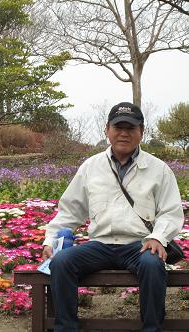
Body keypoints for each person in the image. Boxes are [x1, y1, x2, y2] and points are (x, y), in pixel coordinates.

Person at [42, 102, 184, 332]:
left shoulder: (159, 169)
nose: (124, 133)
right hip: (100, 245)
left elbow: (170, 211)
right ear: (107, 129)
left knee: (152, 263)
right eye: (118, 127)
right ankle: (65, 328)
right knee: (61, 262)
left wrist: (158, 237)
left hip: (138, 245)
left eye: (131, 127)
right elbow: (69, 210)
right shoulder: (91, 166)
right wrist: (51, 240)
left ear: (142, 132)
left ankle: (152, 328)